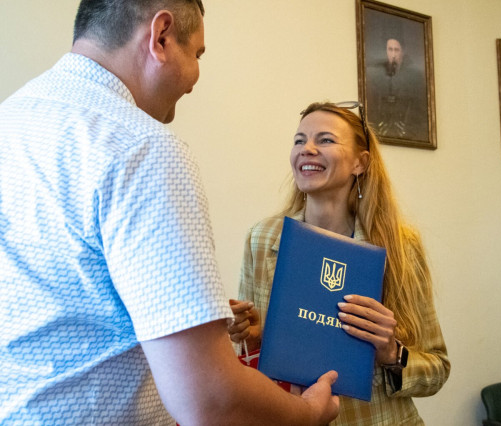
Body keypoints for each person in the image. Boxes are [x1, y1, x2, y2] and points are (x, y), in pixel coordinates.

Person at [0, 1, 339, 424]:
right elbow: (208, 399)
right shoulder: (142, 146)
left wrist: (185, 313)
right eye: (197, 54)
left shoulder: (11, 119)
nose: (194, 80)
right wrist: (307, 414)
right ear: (161, 36)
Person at [228, 101, 450, 425]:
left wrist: (391, 353)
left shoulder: (400, 246)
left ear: (360, 163)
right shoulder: (262, 238)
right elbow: (250, 357)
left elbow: (437, 368)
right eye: (299, 140)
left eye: (325, 140)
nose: (307, 149)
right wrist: (249, 334)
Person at [365, 35, 428, 141]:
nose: (393, 55)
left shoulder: (415, 76)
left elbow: (420, 111)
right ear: (386, 51)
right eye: (390, 50)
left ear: (403, 51)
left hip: (408, 132)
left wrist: (408, 129)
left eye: (396, 50)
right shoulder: (375, 74)